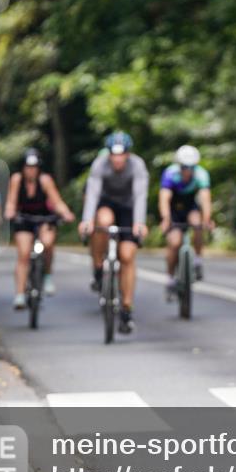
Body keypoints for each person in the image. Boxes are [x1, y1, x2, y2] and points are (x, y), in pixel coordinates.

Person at [78, 132, 148, 334]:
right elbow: (92, 193)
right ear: (109, 154)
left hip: (128, 207)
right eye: (113, 154)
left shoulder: (137, 166)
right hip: (106, 204)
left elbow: (140, 195)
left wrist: (139, 223)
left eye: (122, 154)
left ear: (128, 154)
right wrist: (87, 220)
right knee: (103, 222)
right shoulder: (100, 165)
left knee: (127, 255)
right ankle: (99, 266)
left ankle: (126, 308)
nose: (117, 159)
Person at [4, 148, 75, 309]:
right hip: (24, 219)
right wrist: (9, 211)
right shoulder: (17, 179)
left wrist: (66, 213)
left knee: (48, 243)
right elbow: (11, 201)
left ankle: (47, 275)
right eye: (28, 167)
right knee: (23, 254)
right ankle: (20, 294)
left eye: (34, 167)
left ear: (39, 168)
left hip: (44, 218)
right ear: (23, 167)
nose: (31, 170)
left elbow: (56, 201)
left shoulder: (45, 180)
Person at [159, 145, 213, 296]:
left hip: (190, 207)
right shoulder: (170, 173)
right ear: (179, 165)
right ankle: (170, 276)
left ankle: (197, 260)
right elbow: (164, 198)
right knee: (174, 242)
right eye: (184, 167)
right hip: (173, 210)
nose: (188, 171)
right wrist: (165, 218)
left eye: (191, 167)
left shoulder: (201, 174)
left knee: (197, 224)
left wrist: (207, 218)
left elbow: (205, 198)